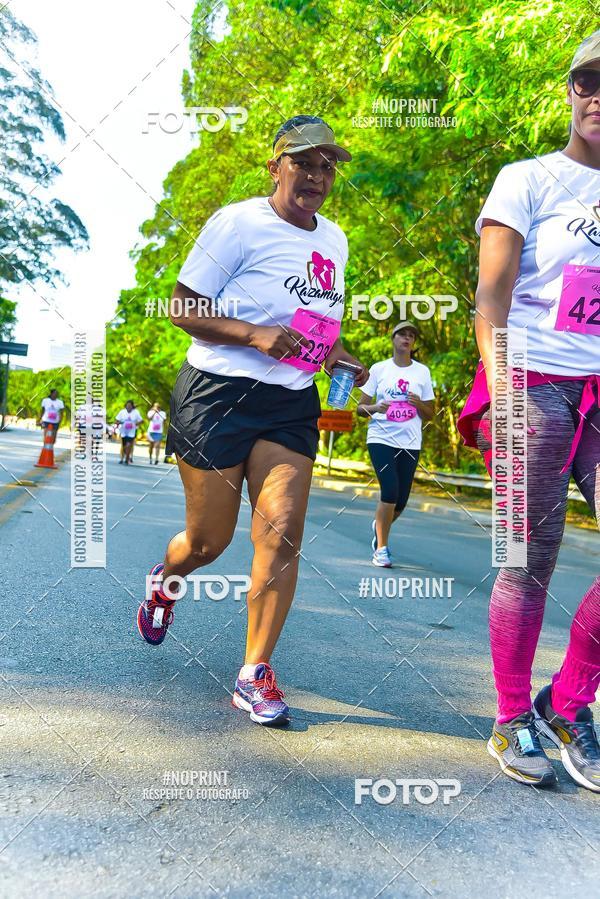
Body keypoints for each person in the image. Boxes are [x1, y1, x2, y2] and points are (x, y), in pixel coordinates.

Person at [137, 114, 367, 727]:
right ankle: (168, 576)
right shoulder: (238, 223)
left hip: (291, 401)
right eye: (304, 162)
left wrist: (339, 355)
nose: (317, 175)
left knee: (282, 528)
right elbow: (180, 306)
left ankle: (254, 671)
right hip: (216, 394)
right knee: (209, 541)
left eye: (327, 166)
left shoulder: (335, 240)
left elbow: (318, 324)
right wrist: (254, 334)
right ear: (276, 165)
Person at [458, 31, 600, 790]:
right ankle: (513, 714)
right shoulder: (528, 180)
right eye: (588, 81)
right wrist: (503, 390)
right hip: (534, 382)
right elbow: (491, 300)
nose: (599, 95)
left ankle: (568, 701)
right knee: (528, 559)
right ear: (571, 91)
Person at [356, 322, 434, 567]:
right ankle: (381, 549)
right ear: (393, 338)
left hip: (410, 442)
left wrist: (419, 403)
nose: (407, 338)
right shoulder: (379, 369)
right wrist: (375, 408)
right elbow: (360, 408)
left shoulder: (422, 372)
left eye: (412, 335)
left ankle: (380, 525)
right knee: (389, 492)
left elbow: (431, 413)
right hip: (381, 438)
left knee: (401, 501)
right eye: (403, 334)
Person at [115, 400, 143, 464]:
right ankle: (122, 457)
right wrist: (121, 423)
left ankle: (127, 458)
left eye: (130, 406)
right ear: (125, 406)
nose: (129, 407)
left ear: (132, 406)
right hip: (123, 432)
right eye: (127, 406)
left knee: (129, 445)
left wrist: (135, 424)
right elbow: (116, 421)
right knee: (123, 446)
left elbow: (141, 421)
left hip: (132, 432)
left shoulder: (136, 412)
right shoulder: (122, 412)